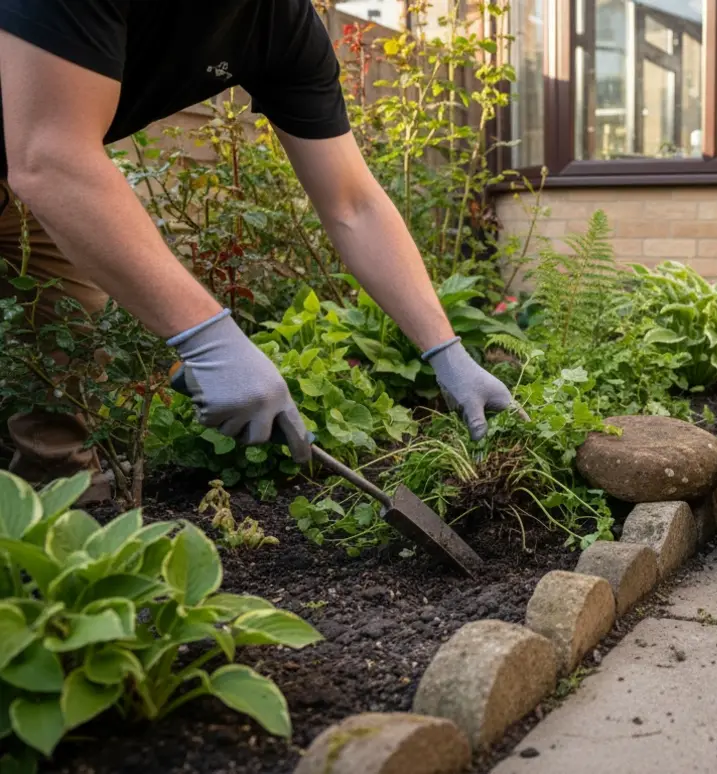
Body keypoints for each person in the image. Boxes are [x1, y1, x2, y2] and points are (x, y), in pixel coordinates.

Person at [0, 0, 521, 503]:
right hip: (41, 158)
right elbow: (52, 156)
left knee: (65, 353)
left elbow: (353, 202)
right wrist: (210, 338)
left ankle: (53, 540)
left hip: (27, 172)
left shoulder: (282, 24)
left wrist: (446, 351)